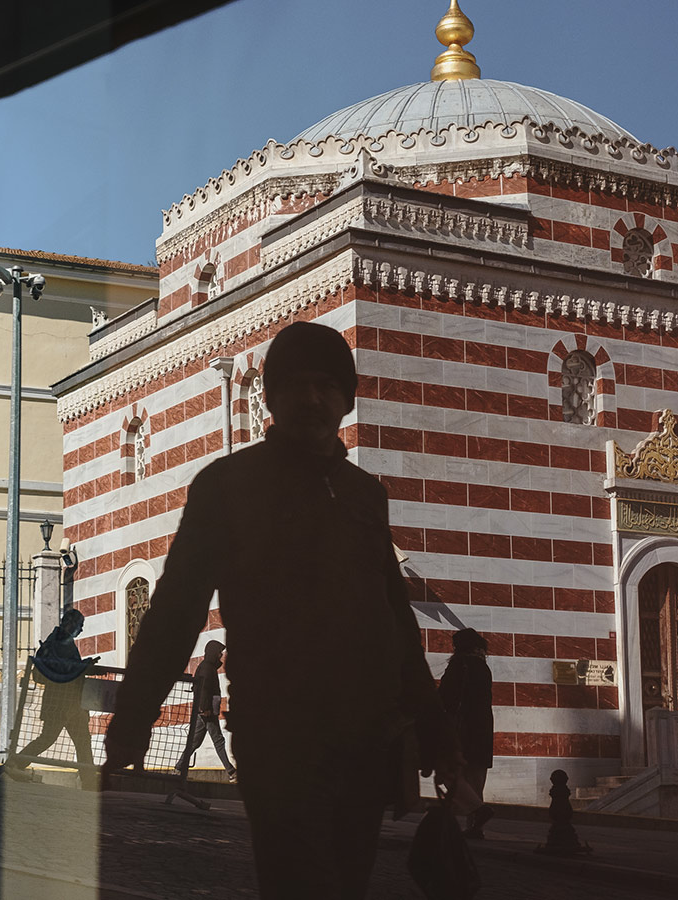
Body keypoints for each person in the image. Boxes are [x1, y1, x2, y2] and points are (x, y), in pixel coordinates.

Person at [103, 321, 462, 900]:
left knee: (346, 883)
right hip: (280, 737)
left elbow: (396, 622)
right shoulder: (228, 486)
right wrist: (134, 718)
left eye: (326, 385)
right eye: (296, 384)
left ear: (347, 398)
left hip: (365, 739)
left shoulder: (365, 494)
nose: (312, 399)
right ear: (268, 396)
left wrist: (440, 740)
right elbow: (176, 606)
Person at [10, 607, 99, 789]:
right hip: (62, 703)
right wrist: (84, 666)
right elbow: (64, 669)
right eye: (80, 625)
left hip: (69, 703)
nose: (81, 630)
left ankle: (89, 781)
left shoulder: (58, 642)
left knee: (79, 741)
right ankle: (13, 764)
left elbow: (66, 668)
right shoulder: (60, 643)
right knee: (51, 738)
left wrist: (84, 666)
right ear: (70, 623)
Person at [438, 628, 495, 838]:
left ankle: (478, 811)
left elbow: (446, 696)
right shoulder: (483, 666)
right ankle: (475, 828)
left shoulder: (459, 664)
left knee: (448, 771)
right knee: (475, 779)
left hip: (462, 727)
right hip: (484, 727)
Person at [175, 639, 237, 782]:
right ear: (213, 653)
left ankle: (179, 767)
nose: (221, 656)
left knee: (195, 741)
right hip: (207, 712)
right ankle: (231, 772)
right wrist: (205, 709)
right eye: (219, 653)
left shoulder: (206, 667)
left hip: (204, 711)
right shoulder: (207, 668)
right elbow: (203, 690)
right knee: (218, 740)